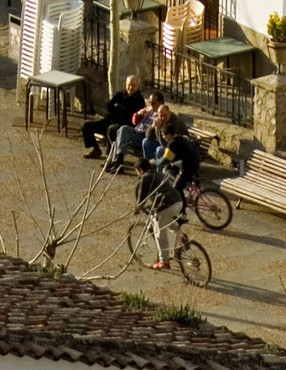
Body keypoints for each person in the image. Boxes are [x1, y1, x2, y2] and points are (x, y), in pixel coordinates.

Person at [148, 120, 206, 269]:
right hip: (194, 163)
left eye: (163, 135)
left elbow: (164, 160)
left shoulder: (172, 144)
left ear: (168, 134)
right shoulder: (180, 138)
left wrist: (154, 163)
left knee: (176, 188)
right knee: (175, 171)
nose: (163, 137)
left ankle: (182, 213)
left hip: (187, 168)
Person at [81, 73, 140, 161]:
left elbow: (130, 116)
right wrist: (119, 109)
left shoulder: (138, 100)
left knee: (111, 130)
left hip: (122, 126)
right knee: (86, 126)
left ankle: (110, 157)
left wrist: (118, 109)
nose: (131, 88)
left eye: (133, 85)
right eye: (129, 85)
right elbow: (109, 106)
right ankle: (96, 149)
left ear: (138, 86)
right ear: (126, 85)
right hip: (109, 121)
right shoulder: (120, 95)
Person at [106, 88, 163, 172]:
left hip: (145, 137)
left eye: (153, 103)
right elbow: (134, 122)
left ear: (160, 103)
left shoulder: (161, 114)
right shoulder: (148, 110)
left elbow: (152, 134)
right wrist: (139, 114)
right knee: (122, 129)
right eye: (150, 102)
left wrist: (154, 125)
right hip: (137, 131)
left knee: (123, 132)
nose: (151, 104)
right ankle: (117, 160)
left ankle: (117, 161)